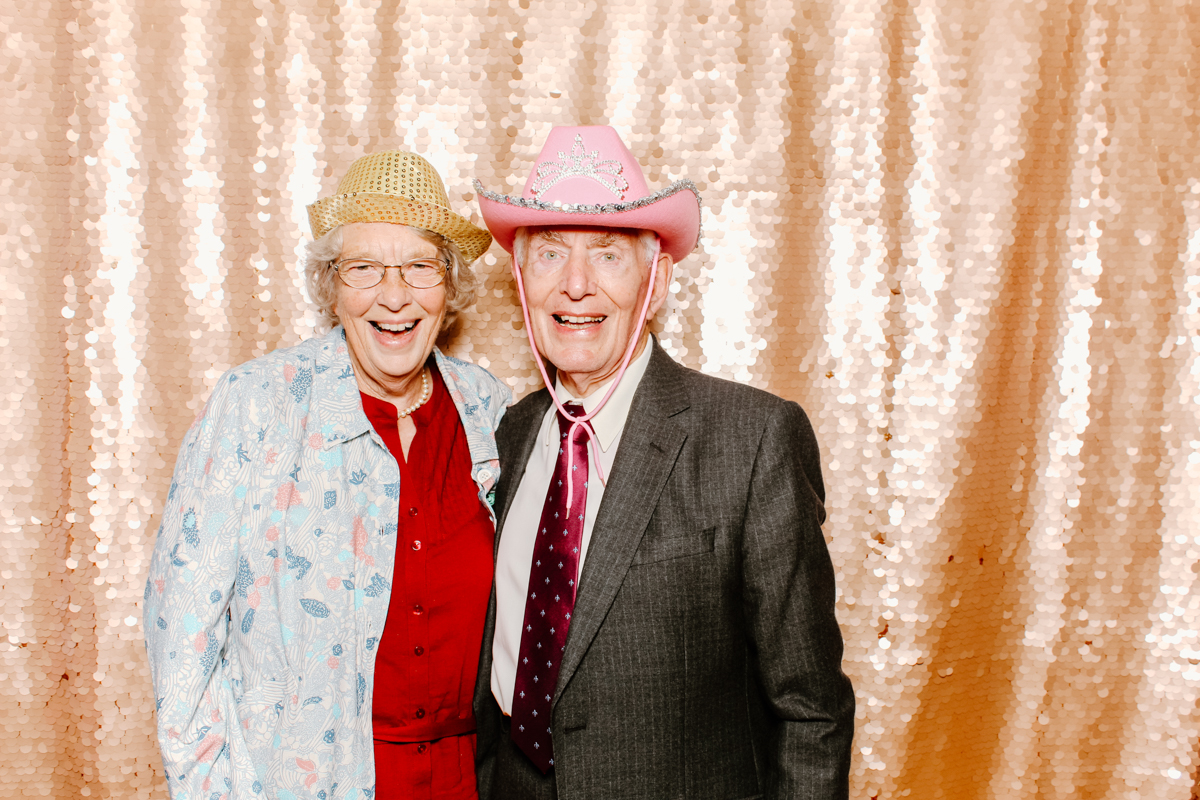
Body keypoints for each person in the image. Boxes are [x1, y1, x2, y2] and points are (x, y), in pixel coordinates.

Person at [470, 126, 855, 799]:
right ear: (520, 278)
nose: (577, 285)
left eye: (609, 257)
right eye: (552, 254)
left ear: (658, 279)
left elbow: (810, 709)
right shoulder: (507, 431)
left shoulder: (753, 438)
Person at [144, 150, 510, 800]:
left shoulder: (487, 408)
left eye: (420, 267)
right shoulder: (255, 405)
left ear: (449, 288)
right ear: (332, 287)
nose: (393, 296)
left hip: (463, 781)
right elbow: (182, 637)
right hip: (301, 780)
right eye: (363, 268)